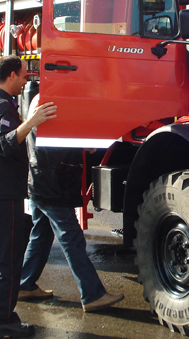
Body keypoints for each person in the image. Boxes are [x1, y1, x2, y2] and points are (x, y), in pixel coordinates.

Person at [0, 55, 56, 338]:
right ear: (10, 76)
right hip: (2, 194)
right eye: (22, 76)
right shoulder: (1, 106)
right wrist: (32, 121)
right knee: (7, 261)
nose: (25, 82)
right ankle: (4, 321)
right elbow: (5, 143)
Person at [19, 94, 125, 312]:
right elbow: (54, 142)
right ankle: (92, 294)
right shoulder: (46, 102)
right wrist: (83, 145)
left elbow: (52, 138)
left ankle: (25, 285)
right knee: (71, 238)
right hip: (52, 185)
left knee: (40, 235)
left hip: (40, 181)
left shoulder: (38, 99)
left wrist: (83, 145)